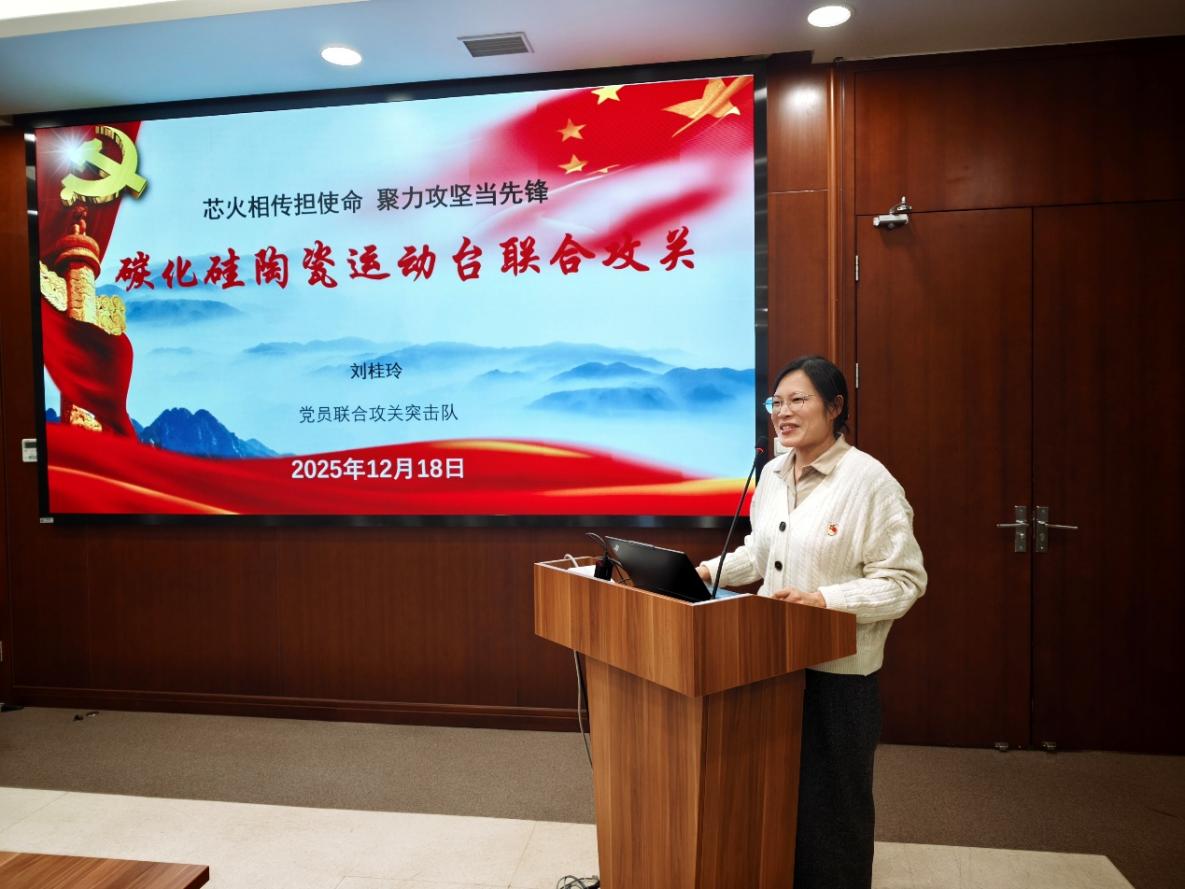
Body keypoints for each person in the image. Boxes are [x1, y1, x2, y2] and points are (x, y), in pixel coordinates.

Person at [696, 354, 926, 889]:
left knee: (833, 812)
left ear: (835, 406)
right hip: (768, 665)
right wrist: (702, 571)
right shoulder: (772, 474)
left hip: (837, 677)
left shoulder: (869, 482)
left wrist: (823, 600)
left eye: (799, 400)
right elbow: (760, 554)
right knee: (774, 798)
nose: (783, 412)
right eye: (776, 402)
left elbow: (903, 582)